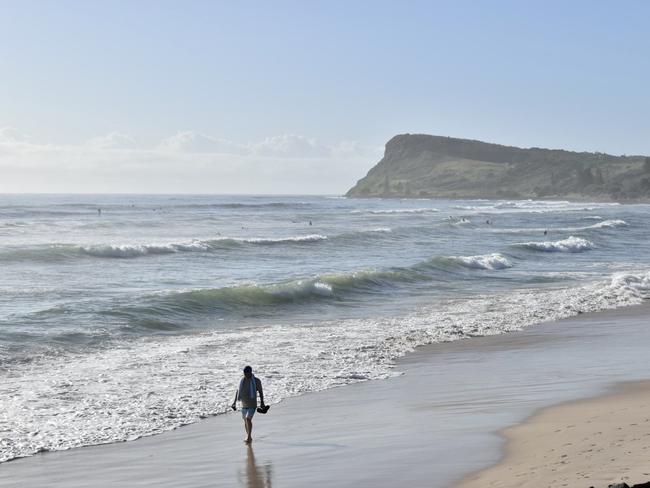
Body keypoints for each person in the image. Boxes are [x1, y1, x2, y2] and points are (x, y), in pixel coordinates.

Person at [232, 365, 265, 444]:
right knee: (245, 421)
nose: (245, 375)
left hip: (252, 404)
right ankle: (248, 435)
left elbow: (260, 391)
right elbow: (237, 391)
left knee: (248, 419)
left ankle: (249, 436)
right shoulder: (241, 381)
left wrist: (262, 402)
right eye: (244, 373)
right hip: (244, 404)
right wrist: (234, 402)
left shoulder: (256, 381)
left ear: (251, 372)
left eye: (247, 373)